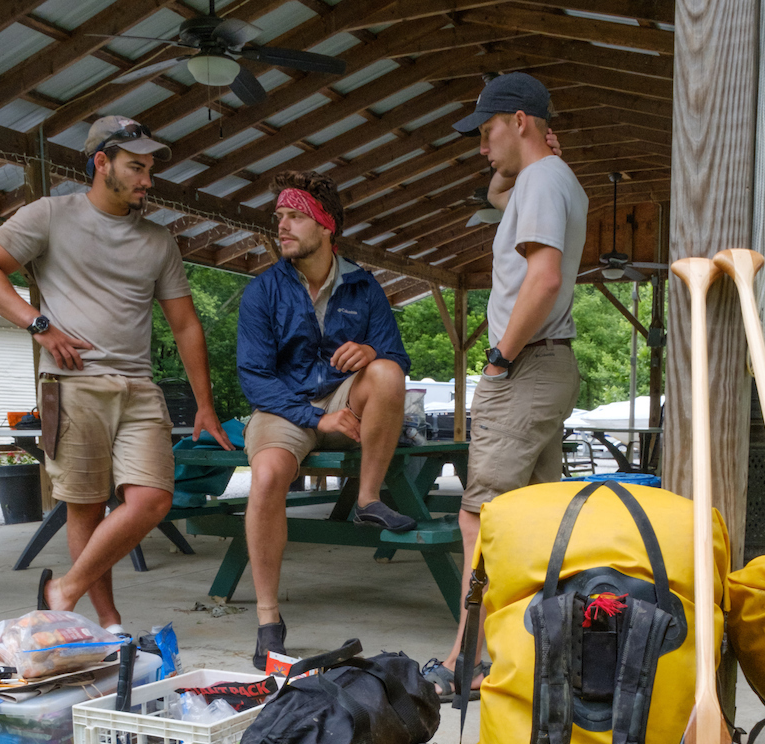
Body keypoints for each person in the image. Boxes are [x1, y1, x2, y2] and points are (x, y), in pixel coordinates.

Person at [0, 115, 231, 631]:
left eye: (150, 169)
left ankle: (62, 590)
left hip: (138, 387)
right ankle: (109, 623)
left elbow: (185, 324)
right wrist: (37, 324)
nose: (147, 180)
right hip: (72, 384)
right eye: (136, 167)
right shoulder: (49, 215)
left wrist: (204, 402)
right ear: (101, 162)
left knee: (152, 499)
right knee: (85, 507)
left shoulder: (158, 240)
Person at [421, 73, 589, 701]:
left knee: (479, 516)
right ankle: (548, 649)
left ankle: (465, 661)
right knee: (543, 519)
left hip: (524, 367)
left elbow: (541, 280)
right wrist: (524, 153)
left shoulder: (543, 179)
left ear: (519, 120)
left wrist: (497, 358)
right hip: (549, 366)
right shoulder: (551, 179)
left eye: (488, 132)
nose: (481, 148)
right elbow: (497, 192)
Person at [237, 169, 414, 670]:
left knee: (385, 374)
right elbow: (254, 377)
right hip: (283, 404)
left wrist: (371, 349)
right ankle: (269, 617)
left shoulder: (363, 285)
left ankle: (368, 499)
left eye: (295, 216)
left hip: (342, 397)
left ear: (326, 226)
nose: (283, 226)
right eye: (280, 217)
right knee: (268, 476)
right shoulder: (262, 291)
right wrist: (314, 422)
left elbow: (398, 358)